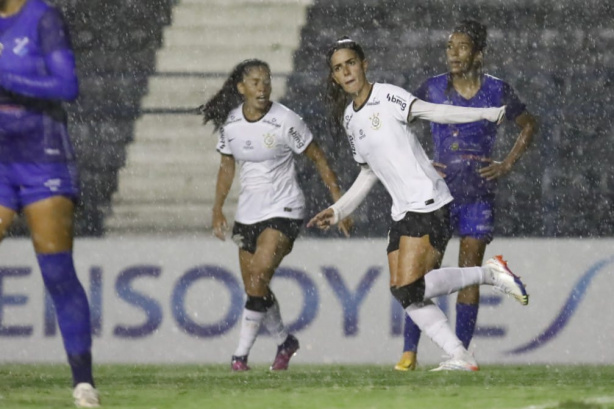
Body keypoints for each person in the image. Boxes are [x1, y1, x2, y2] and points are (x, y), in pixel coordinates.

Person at [308, 37, 529, 371]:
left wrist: (484, 113)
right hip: (403, 209)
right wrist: (339, 209)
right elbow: (369, 172)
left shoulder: (388, 96)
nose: (346, 71)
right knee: (404, 292)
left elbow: (434, 112)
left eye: (351, 62)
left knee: (410, 286)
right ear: (335, 77)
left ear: (364, 64)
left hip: (427, 201)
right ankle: (461, 355)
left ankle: (490, 274)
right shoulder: (350, 120)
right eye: (338, 68)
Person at [394, 20, 538, 371]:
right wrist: (423, 160)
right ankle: (409, 352)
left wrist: (506, 164)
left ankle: (460, 353)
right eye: (449, 47)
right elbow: (397, 125)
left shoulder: (497, 91)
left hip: (478, 196)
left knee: (468, 271)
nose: (453, 53)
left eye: (461, 47)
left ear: (478, 53)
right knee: (421, 277)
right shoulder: (432, 88)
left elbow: (529, 124)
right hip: (439, 196)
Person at [200, 58, 350, 371]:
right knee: (255, 287)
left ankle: (239, 357)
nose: (263, 87)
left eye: (266, 81)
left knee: (258, 277)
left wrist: (340, 203)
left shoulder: (286, 120)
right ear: (241, 88)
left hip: (284, 209)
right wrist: (217, 209)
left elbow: (319, 159)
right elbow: (227, 166)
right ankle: (285, 341)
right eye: (255, 82)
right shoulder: (231, 124)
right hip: (247, 215)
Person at [0, 0, 99, 406]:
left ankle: (83, 382)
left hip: (42, 158)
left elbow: (66, 86)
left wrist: (5, 80)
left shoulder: (42, 18)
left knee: (57, 273)